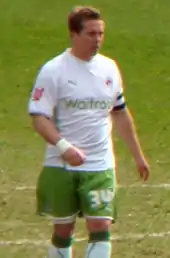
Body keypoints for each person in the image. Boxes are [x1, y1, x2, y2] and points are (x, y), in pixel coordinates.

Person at [28, 6, 149, 258]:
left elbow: (120, 112)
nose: (97, 39)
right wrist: (64, 147)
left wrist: (138, 156)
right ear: (74, 34)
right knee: (63, 229)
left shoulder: (109, 69)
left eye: (101, 33)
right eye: (91, 33)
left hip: (100, 163)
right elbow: (39, 117)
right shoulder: (54, 70)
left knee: (100, 225)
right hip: (61, 165)